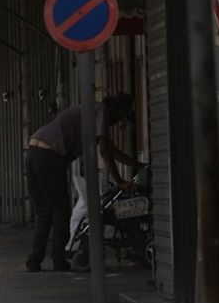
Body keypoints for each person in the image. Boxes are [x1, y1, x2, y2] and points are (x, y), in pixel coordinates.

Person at [25, 93, 136, 273]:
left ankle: (34, 260)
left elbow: (112, 150)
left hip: (33, 151)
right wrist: (120, 181)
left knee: (44, 210)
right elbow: (105, 151)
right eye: (120, 117)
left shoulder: (90, 109)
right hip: (51, 156)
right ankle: (59, 260)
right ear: (115, 108)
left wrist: (136, 165)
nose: (117, 123)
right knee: (60, 210)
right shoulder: (101, 111)